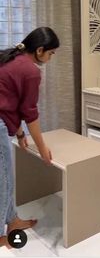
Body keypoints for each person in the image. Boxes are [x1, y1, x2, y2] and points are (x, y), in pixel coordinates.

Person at [0, 27, 60, 248]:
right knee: (3, 180)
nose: (51, 58)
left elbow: (8, 100)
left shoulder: (12, 58)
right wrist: (43, 148)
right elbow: (29, 112)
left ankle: (12, 220)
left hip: (3, 121)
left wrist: (19, 132)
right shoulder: (31, 71)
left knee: (5, 177)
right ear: (40, 50)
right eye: (51, 53)